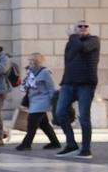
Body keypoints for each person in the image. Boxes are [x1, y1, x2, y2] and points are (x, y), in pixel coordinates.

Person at [55, 20, 101, 160]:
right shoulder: (71, 43)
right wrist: (63, 82)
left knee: (84, 117)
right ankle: (71, 144)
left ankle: (86, 149)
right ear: (75, 29)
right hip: (69, 83)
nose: (83, 28)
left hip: (85, 84)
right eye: (79, 26)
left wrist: (72, 36)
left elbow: (83, 48)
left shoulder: (94, 40)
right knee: (60, 112)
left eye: (85, 26)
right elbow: (68, 63)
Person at [16, 53, 60, 151]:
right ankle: (55, 142)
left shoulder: (45, 72)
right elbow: (26, 87)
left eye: (32, 60)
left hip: (42, 100)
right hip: (34, 100)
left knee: (32, 123)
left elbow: (51, 88)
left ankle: (26, 144)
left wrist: (54, 103)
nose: (30, 62)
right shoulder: (30, 72)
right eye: (29, 59)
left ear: (38, 61)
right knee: (44, 124)